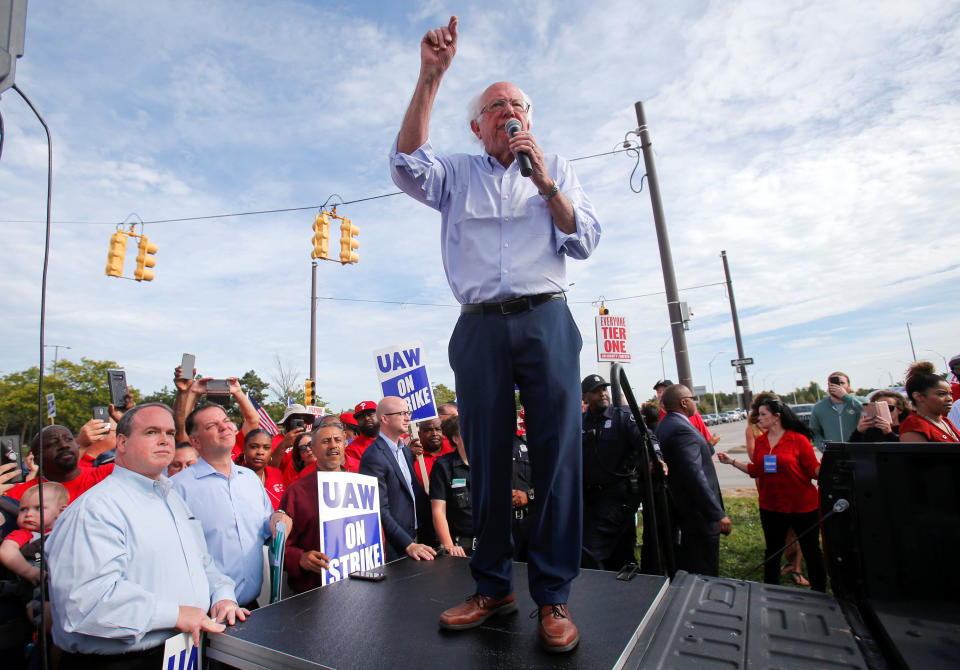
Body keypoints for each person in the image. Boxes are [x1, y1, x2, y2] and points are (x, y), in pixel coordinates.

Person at [390, 16, 600, 652]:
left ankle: (554, 597)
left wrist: (547, 184)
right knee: (483, 459)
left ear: (529, 119)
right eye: (494, 106)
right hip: (479, 327)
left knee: (557, 456)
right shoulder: (454, 173)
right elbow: (403, 163)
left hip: (545, 320)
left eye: (517, 105)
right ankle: (492, 588)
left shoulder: (557, 166)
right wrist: (430, 78)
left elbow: (584, 238)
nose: (508, 112)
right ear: (476, 125)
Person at [47, 403, 245, 668]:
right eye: (151, 432)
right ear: (122, 442)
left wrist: (223, 595)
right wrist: (175, 614)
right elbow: (84, 603)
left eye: (170, 433)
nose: (164, 440)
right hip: (123, 661)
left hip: (184, 651)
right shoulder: (95, 510)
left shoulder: (173, 499)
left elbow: (201, 563)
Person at [171, 403, 291, 610]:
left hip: (251, 608)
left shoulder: (250, 480)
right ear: (195, 441)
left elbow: (264, 528)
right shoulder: (177, 488)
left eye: (226, 421)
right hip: (206, 612)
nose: (224, 427)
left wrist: (278, 518)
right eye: (212, 425)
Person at [718, 398, 827, 592]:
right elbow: (757, 470)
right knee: (773, 551)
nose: (758, 418)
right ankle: (771, 591)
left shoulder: (798, 440)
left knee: (811, 550)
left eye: (763, 414)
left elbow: (813, 471)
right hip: (771, 506)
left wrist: (830, 463)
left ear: (777, 417)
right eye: (758, 414)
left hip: (802, 506)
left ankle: (820, 591)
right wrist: (732, 461)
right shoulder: (761, 441)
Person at [654, 385, 731, 577]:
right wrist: (716, 513)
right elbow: (694, 475)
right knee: (703, 571)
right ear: (683, 402)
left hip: (683, 512)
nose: (694, 402)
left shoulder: (666, 425)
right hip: (698, 516)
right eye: (692, 398)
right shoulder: (682, 430)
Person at [580, 374, 647, 572]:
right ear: (585, 397)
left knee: (591, 551)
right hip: (590, 498)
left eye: (604, 389)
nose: (602, 393)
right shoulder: (580, 422)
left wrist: (656, 458)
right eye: (596, 391)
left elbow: (646, 440)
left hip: (616, 497)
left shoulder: (622, 417)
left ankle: (593, 592)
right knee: (619, 554)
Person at [358, 397, 436, 562]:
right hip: (397, 549)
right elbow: (379, 510)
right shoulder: (373, 457)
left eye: (408, 413)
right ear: (384, 419)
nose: (408, 417)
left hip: (419, 537)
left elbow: (415, 492)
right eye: (402, 413)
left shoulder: (406, 451)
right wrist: (408, 544)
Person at [278, 422, 349, 593]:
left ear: (344, 444)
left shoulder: (361, 485)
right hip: (313, 592)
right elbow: (280, 547)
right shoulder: (297, 492)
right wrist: (300, 558)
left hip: (356, 585)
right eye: (326, 441)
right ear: (314, 449)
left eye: (337, 440)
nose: (333, 445)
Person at [3, 426, 113, 504]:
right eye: (52, 443)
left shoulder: (108, 475)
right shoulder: (18, 494)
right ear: (37, 459)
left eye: (68, 439)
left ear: (77, 446)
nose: (63, 445)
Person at [0, 482, 68, 585]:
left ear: (61, 512)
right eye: (23, 509)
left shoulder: (67, 532)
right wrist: (28, 571)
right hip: (34, 584)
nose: (28, 514)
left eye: (38, 508)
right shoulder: (26, 534)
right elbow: (6, 550)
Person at [430, 415, 474, 556]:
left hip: (491, 543)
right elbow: (438, 511)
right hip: (461, 547)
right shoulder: (443, 466)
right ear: (455, 439)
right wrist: (449, 546)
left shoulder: (489, 463)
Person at [899, 362, 959, 442]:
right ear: (918, 397)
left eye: (950, 394)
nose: (949, 398)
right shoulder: (914, 427)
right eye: (941, 394)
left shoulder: (944, 421)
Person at [654, 379, 718, 447]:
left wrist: (710, 449)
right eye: (659, 392)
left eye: (664, 391)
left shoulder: (692, 414)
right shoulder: (654, 416)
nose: (661, 395)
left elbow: (705, 440)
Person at [809, 371, 862, 449]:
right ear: (828, 386)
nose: (838, 386)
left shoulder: (860, 401)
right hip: (833, 454)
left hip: (858, 451)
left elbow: (867, 413)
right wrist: (825, 448)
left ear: (848, 385)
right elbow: (814, 432)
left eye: (842, 383)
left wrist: (846, 397)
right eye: (834, 383)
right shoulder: (819, 407)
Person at [240, 429, 286, 510]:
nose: (260, 452)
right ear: (244, 448)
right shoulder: (234, 476)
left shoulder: (277, 473)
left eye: (266, 448)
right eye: (254, 447)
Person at [410, 417, 447, 489]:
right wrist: (410, 457)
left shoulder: (453, 447)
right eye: (428, 430)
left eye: (438, 429)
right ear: (419, 434)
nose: (434, 434)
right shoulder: (412, 455)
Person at [344, 401, 378, 473]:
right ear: (357, 421)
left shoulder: (392, 440)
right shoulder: (352, 449)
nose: (366, 418)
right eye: (361, 416)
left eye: (370, 414)